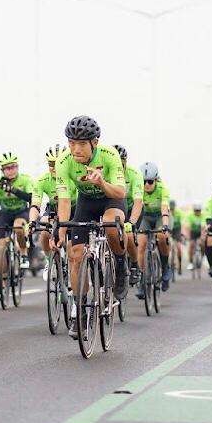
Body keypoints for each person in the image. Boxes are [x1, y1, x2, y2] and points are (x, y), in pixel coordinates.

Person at [54, 116, 127, 338]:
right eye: (71, 143)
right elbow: (65, 201)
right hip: (85, 203)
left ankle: (121, 264)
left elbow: (121, 193)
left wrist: (101, 182)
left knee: (110, 224)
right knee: (76, 255)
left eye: (82, 144)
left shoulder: (109, 155)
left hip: (110, 198)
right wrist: (60, 232)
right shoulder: (64, 161)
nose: (75, 149)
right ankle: (81, 310)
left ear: (94, 142)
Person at [0, 152, 35, 299]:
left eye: (13, 167)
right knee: (1, 248)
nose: (11, 170)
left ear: (17, 167)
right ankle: (3, 284)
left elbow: (31, 198)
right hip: (5, 214)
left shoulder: (25, 180)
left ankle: (24, 254)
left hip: (22, 212)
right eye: (7, 168)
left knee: (19, 227)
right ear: (2, 170)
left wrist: (13, 190)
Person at [137, 162, 173, 292]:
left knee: (162, 237)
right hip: (145, 217)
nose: (147, 184)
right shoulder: (138, 189)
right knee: (140, 244)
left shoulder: (163, 189)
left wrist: (165, 225)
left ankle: (165, 267)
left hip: (160, 216)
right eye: (144, 181)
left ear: (156, 179)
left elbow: (164, 208)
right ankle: (141, 280)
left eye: (150, 181)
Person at [114, 144, 143, 288]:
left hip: (131, 209)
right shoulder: (107, 171)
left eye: (121, 161)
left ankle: (134, 265)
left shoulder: (134, 174)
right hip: (115, 207)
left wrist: (131, 221)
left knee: (129, 233)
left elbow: (138, 202)